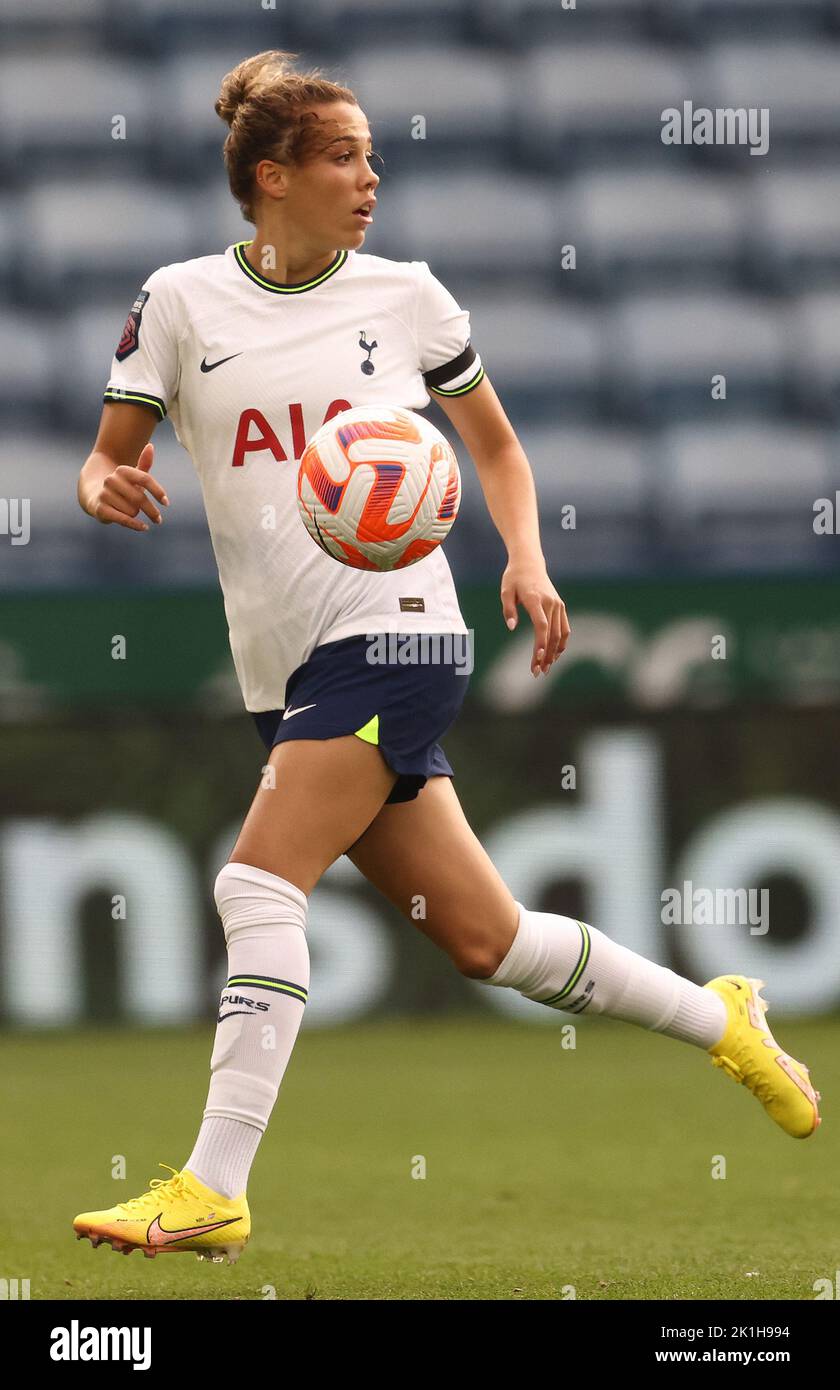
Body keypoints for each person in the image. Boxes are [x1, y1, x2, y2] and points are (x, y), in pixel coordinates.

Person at [72, 50, 820, 1267]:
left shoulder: (408, 298)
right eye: (344, 156)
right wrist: (107, 480)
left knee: (255, 886)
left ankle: (214, 1185)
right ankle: (723, 1018)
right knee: (491, 939)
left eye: (373, 153)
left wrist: (526, 557)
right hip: (288, 665)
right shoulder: (179, 305)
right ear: (272, 176)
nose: (374, 176)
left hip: (400, 633)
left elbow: (501, 450)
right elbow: (108, 452)